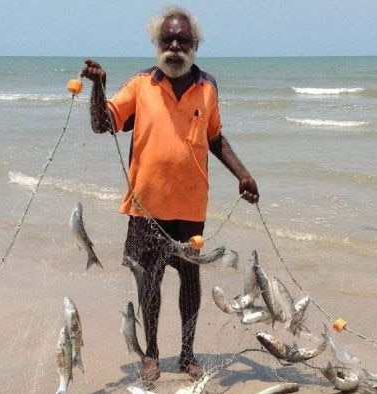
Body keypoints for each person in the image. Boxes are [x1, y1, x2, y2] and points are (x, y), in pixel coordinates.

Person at [80, 6, 259, 382]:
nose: (174, 45)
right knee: (150, 284)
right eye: (168, 39)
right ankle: (152, 355)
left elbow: (214, 138)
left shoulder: (207, 86)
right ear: (156, 44)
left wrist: (243, 175)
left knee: (190, 284)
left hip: (191, 209)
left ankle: (189, 355)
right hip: (146, 209)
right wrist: (98, 87)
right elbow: (102, 124)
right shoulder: (141, 84)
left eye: (182, 39)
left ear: (195, 45)